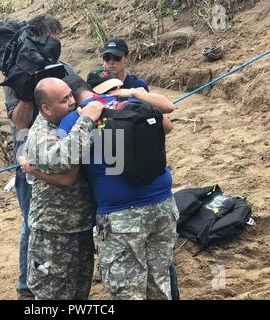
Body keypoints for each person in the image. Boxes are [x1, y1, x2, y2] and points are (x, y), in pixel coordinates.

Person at [59, 73, 178, 299]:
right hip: (164, 204)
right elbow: (166, 126)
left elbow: (64, 165)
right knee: (159, 282)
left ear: (71, 98)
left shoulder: (73, 119)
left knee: (127, 291)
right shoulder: (130, 102)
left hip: (121, 215)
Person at [3, 13, 76, 299]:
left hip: (60, 153)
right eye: (52, 41)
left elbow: (77, 106)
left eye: (58, 42)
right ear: (39, 39)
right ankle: (27, 285)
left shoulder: (64, 68)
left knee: (63, 220)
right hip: (28, 158)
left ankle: (61, 274)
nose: (55, 47)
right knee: (32, 223)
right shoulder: (17, 73)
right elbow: (19, 122)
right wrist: (25, 88)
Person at [101, 38, 181, 300]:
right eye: (106, 59)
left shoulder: (137, 85)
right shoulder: (101, 85)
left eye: (115, 58)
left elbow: (166, 117)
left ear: (126, 58)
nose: (110, 64)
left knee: (157, 262)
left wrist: (133, 95)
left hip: (144, 158)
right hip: (125, 165)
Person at [21, 77, 103, 300]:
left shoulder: (70, 122)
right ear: (46, 108)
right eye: (63, 99)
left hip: (80, 226)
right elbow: (63, 164)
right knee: (52, 294)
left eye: (70, 95)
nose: (72, 102)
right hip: (53, 232)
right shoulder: (40, 134)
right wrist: (86, 121)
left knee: (79, 290)